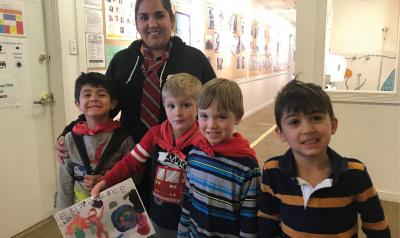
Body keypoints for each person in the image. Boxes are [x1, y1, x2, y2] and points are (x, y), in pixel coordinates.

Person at [55, 0, 216, 206]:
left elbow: (214, 106)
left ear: (172, 20)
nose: (152, 24)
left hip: (182, 158)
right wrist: (68, 132)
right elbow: (104, 106)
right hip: (129, 157)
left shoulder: (194, 59)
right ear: (136, 23)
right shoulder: (122, 61)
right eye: (144, 17)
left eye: (159, 15)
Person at [257, 79, 391, 237]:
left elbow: (377, 228)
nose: (307, 129)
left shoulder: (355, 174)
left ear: (333, 125)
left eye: (316, 118)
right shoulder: (273, 171)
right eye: (294, 122)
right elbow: (267, 221)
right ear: (281, 133)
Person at [92, 73, 204, 237]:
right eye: (171, 106)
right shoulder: (155, 135)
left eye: (186, 105)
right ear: (164, 106)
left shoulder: (204, 141)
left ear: (198, 106)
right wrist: (105, 181)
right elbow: (130, 162)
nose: (177, 112)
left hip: (194, 219)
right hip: (159, 217)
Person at [178, 78, 260, 237]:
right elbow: (188, 199)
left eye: (221, 117)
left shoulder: (247, 166)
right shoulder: (195, 154)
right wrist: (183, 232)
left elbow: (249, 220)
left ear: (237, 117)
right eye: (204, 116)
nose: (211, 125)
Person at [56, 72, 134, 210]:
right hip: (81, 211)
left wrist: (107, 180)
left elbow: (135, 175)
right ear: (78, 104)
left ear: (113, 103)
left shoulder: (124, 139)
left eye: (101, 94)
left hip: (115, 208)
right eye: (87, 95)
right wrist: (63, 213)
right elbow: (65, 179)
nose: (93, 98)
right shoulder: (70, 138)